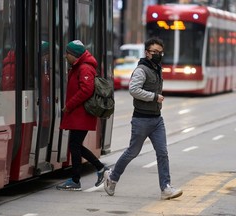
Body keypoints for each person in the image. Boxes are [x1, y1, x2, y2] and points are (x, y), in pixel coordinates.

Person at [103, 37, 183, 200]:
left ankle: (165, 188)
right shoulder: (142, 70)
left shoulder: (156, 68)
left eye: (160, 52)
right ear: (147, 53)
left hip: (157, 119)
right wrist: (154, 97)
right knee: (132, 152)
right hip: (141, 119)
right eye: (154, 52)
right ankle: (112, 176)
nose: (158, 55)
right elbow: (133, 89)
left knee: (162, 152)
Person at [56, 40, 109, 191]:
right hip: (79, 114)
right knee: (76, 145)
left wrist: (69, 105)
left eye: (67, 53)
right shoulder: (79, 66)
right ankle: (97, 170)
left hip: (82, 114)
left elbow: (86, 90)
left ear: (74, 55)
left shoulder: (85, 68)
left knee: (75, 145)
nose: (65, 56)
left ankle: (77, 179)